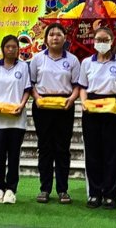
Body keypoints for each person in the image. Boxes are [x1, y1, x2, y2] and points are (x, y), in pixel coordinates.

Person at [78, 27, 116, 210]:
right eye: (98, 39)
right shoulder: (87, 63)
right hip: (92, 108)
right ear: (93, 41)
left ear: (112, 41)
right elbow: (83, 87)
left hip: (113, 107)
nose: (101, 43)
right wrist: (84, 103)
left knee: (113, 153)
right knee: (93, 153)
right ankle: (94, 193)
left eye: (105, 39)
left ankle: (110, 195)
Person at [29, 23, 80, 204]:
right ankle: (44, 189)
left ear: (65, 38)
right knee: (45, 147)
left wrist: (71, 100)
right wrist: (37, 99)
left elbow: (77, 86)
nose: (55, 38)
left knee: (62, 149)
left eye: (59, 34)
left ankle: (63, 190)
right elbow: (31, 84)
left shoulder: (72, 60)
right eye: (51, 35)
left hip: (64, 106)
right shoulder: (37, 59)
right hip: (43, 106)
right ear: (46, 39)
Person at [0, 35, 31, 204]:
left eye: (14, 47)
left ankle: (11, 189)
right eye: (8, 47)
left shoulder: (23, 67)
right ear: (2, 48)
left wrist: (21, 105)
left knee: (13, 155)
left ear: (18, 49)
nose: (11, 49)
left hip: (16, 119)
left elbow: (27, 89)